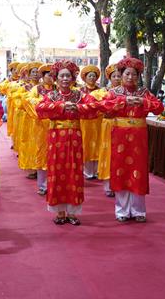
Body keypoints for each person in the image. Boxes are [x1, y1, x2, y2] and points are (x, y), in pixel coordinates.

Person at [100, 57, 163, 222]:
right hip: (120, 135)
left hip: (139, 136)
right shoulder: (114, 93)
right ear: (121, 74)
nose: (130, 77)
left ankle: (138, 211)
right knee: (121, 170)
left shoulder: (144, 93)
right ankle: (122, 211)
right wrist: (123, 101)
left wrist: (143, 102)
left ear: (139, 76)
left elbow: (159, 108)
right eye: (127, 74)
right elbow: (104, 107)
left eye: (134, 74)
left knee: (138, 171)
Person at [35, 60, 98, 225]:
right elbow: (40, 108)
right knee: (57, 172)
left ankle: (73, 212)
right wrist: (62, 107)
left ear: (73, 78)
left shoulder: (80, 95)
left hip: (75, 137)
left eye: (68, 76)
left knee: (74, 172)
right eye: (62, 76)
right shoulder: (51, 95)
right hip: (56, 138)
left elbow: (94, 106)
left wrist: (77, 108)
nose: (65, 79)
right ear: (56, 78)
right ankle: (60, 212)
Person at [23, 64, 54, 195]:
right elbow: (28, 101)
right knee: (42, 154)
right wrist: (45, 104)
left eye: (53, 75)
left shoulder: (58, 89)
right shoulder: (37, 88)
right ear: (43, 76)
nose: (51, 77)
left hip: (55, 126)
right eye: (48, 75)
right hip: (41, 126)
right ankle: (42, 185)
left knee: (55, 155)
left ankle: (54, 184)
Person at [95, 65, 121, 197]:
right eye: (114, 76)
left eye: (119, 76)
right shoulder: (103, 92)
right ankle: (108, 185)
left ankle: (120, 184)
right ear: (109, 78)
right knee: (108, 153)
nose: (117, 78)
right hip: (108, 124)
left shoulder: (125, 92)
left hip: (121, 126)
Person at [79, 65, 103, 179]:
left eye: (94, 76)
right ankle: (87, 171)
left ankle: (97, 170)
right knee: (86, 144)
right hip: (85, 121)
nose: (92, 78)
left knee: (97, 143)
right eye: (90, 76)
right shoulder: (80, 90)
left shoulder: (101, 90)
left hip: (97, 121)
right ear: (85, 77)